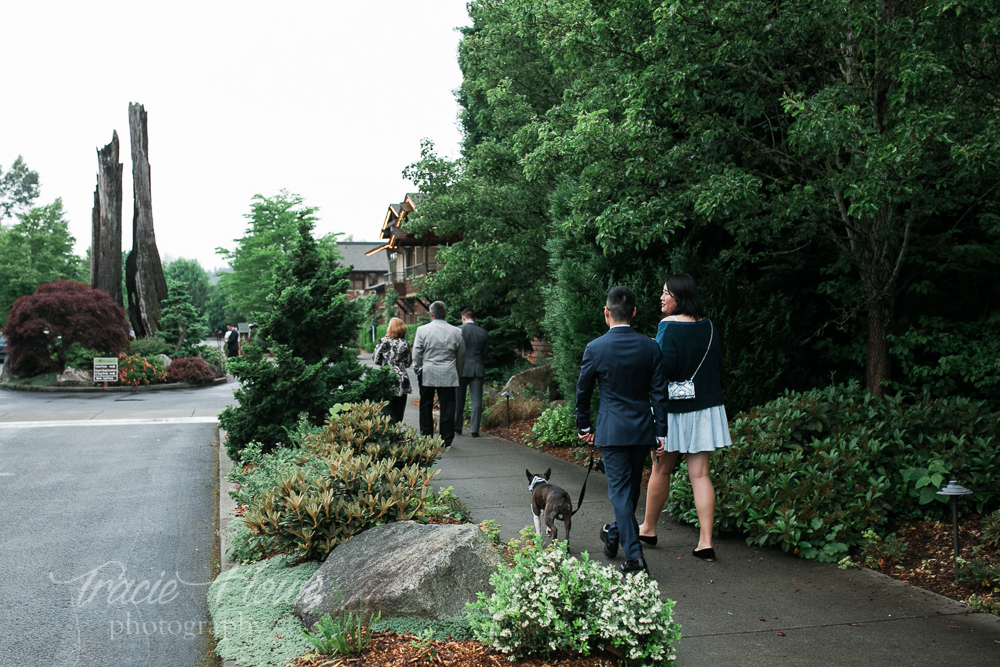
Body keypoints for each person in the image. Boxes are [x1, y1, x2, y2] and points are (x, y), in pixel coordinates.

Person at [638, 273, 731, 562]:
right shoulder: (709, 326)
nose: (662, 297)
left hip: (672, 412)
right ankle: (705, 542)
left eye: (667, 293)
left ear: (679, 297)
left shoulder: (667, 326)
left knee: (661, 470)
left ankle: (649, 528)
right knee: (701, 475)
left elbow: (664, 367)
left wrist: (653, 348)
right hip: (705, 408)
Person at [576, 286, 668, 576]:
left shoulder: (595, 348)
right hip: (642, 429)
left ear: (607, 312)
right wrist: (661, 432)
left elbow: (583, 391)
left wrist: (584, 426)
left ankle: (635, 558)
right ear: (635, 313)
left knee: (620, 493)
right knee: (629, 492)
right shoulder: (650, 346)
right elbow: (659, 393)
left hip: (612, 430)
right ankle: (613, 533)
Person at [412, 301, 465, 447]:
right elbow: (461, 356)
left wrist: (417, 368)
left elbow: (417, 352)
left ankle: (426, 436)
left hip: (427, 371)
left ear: (431, 314)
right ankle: (446, 439)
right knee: (448, 406)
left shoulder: (422, 330)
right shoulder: (456, 331)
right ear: (445, 313)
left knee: (426, 404)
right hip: (448, 372)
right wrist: (458, 373)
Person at [455, 308, 489, 437]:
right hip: (477, 369)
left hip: (461, 369)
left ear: (464, 318)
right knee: (476, 401)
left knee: (459, 400)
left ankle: (457, 427)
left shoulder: (458, 331)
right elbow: (485, 353)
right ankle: (474, 429)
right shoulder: (483, 332)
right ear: (474, 318)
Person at [372, 317, 412, 424]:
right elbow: (408, 362)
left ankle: (389, 429)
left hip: (386, 376)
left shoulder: (383, 341)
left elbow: (375, 359)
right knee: (399, 408)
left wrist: (384, 362)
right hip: (401, 378)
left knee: (386, 407)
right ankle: (397, 429)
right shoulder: (404, 343)